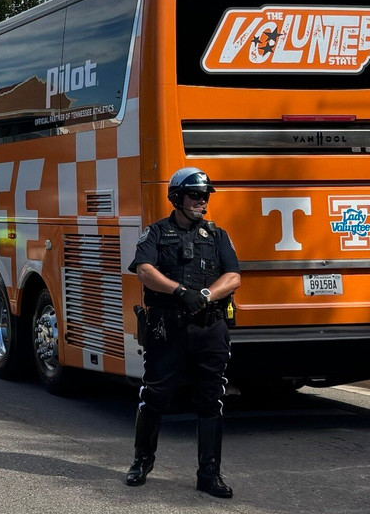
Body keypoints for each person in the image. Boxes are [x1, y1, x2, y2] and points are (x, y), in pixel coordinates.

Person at [125, 168, 241, 498]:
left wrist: (205, 295)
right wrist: (179, 292)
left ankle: (209, 474)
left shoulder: (218, 236)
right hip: (167, 326)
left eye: (205, 197)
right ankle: (141, 461)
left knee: (211, 399)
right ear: (177, 197)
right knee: (156, 394)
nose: (201, 202)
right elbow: (145, 271)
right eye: (194, 196)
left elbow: (233, 276)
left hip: (209, 327)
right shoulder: (156, 233)